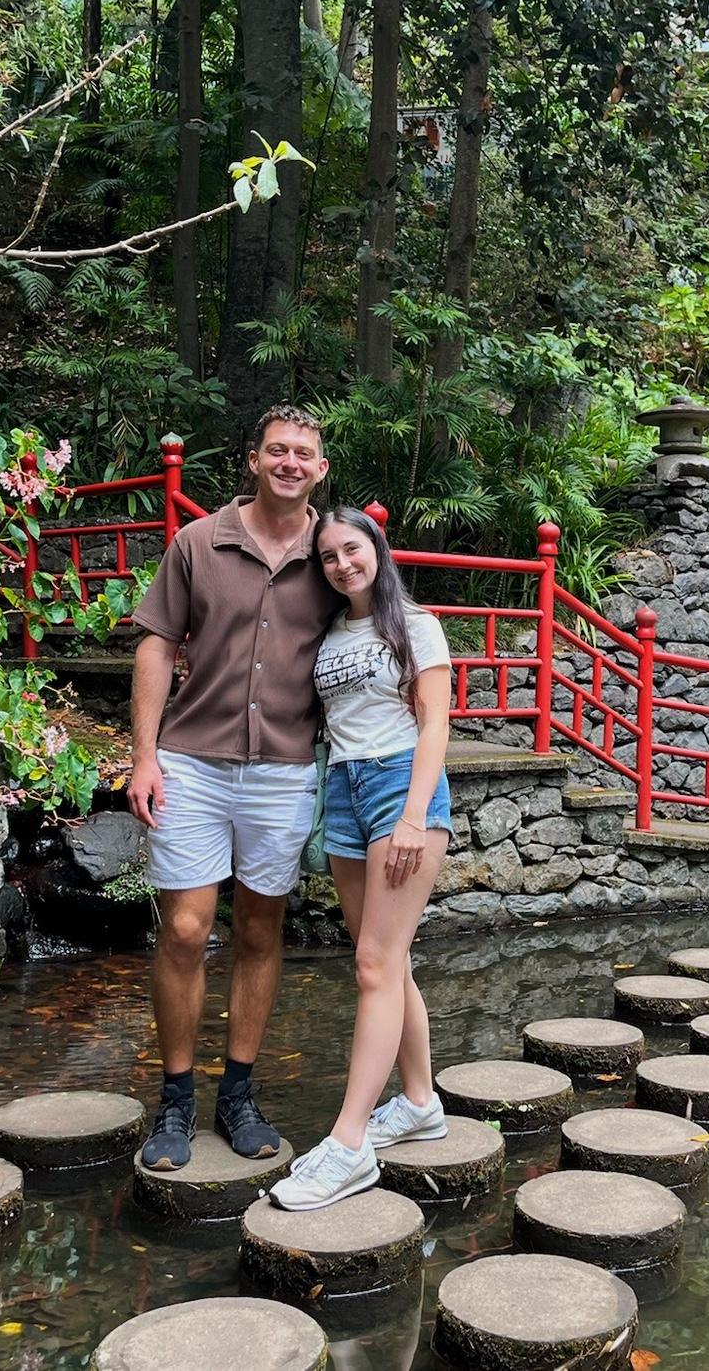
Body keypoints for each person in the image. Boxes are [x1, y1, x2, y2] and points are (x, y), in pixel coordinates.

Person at [126, 406, 340, 1170]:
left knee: (258, 930)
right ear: (253, 459)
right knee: (185, 930)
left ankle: (239, 1095)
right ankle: (176, 1101)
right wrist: (143, 755)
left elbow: (384, 625)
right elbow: (156, 645)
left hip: (283, 768)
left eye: (303, 454)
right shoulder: (198, 542)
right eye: (276, 450)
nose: (288, 462)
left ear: (319, 470)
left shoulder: (333, 555)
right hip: (192, 759)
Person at [270, 507, 453, 1210]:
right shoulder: (329, 633)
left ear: (376, 548)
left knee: (373, 965)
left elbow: (436, 721)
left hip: (401, 786)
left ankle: (349, 1146)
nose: (343, 564)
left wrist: (412, 815)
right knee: (388, 960)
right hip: (343, 789)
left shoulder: (416, 624)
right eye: (328, 557)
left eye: (353, 549)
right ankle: (417, 1102)